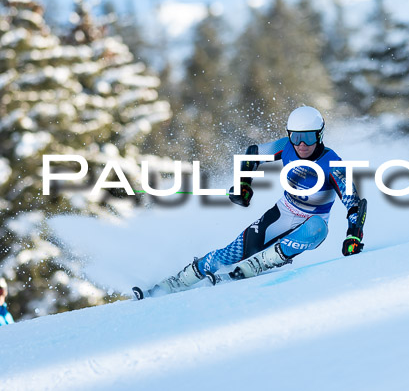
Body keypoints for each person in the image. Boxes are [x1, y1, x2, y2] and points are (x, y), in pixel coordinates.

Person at [135, 106, 366, 298]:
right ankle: (173, 283)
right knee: (231, 253)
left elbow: (353, 202)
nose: (302, 144)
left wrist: (354, 235)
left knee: (318, 227)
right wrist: (243, 184)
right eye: (296, 136)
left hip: (311, 224)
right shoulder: (286, 147)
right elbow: (252, 154)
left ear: (320, 135)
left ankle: (257, 265)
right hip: (282, 213)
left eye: (309, 137)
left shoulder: (333, 163)